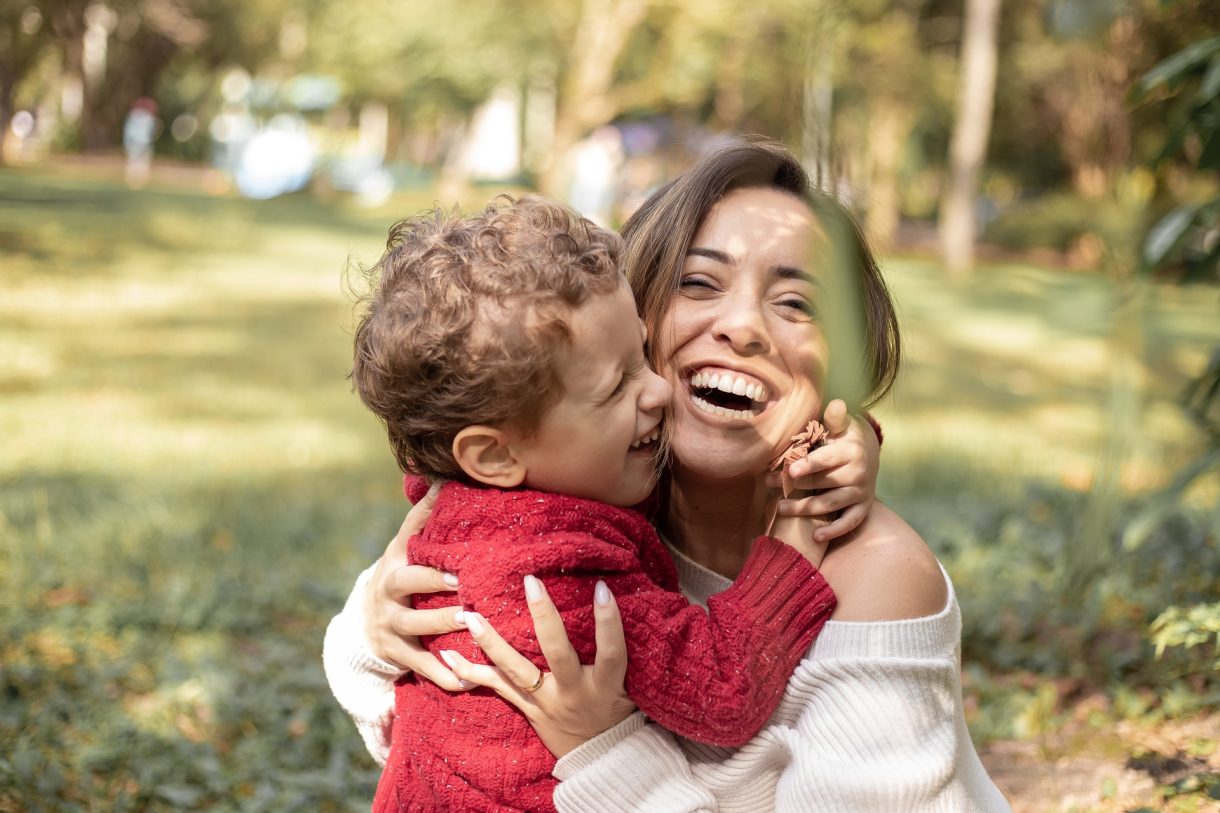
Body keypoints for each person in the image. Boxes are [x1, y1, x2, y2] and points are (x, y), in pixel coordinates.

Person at [326, 138, 1011, 810]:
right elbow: (404, 700)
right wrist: (374, 627)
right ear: (639, 309)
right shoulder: (569, 513)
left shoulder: (880, 578)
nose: (742, 326)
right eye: (699, 282)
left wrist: (599, 749)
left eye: (797, 302)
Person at [349, 195, 853, 812]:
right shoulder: (557, 579)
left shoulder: (474, 498)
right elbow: (722, 687)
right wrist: (795, 538)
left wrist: (835, 445)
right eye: (618, 384)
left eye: (642, 355)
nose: (659, 388)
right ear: (494, 456)